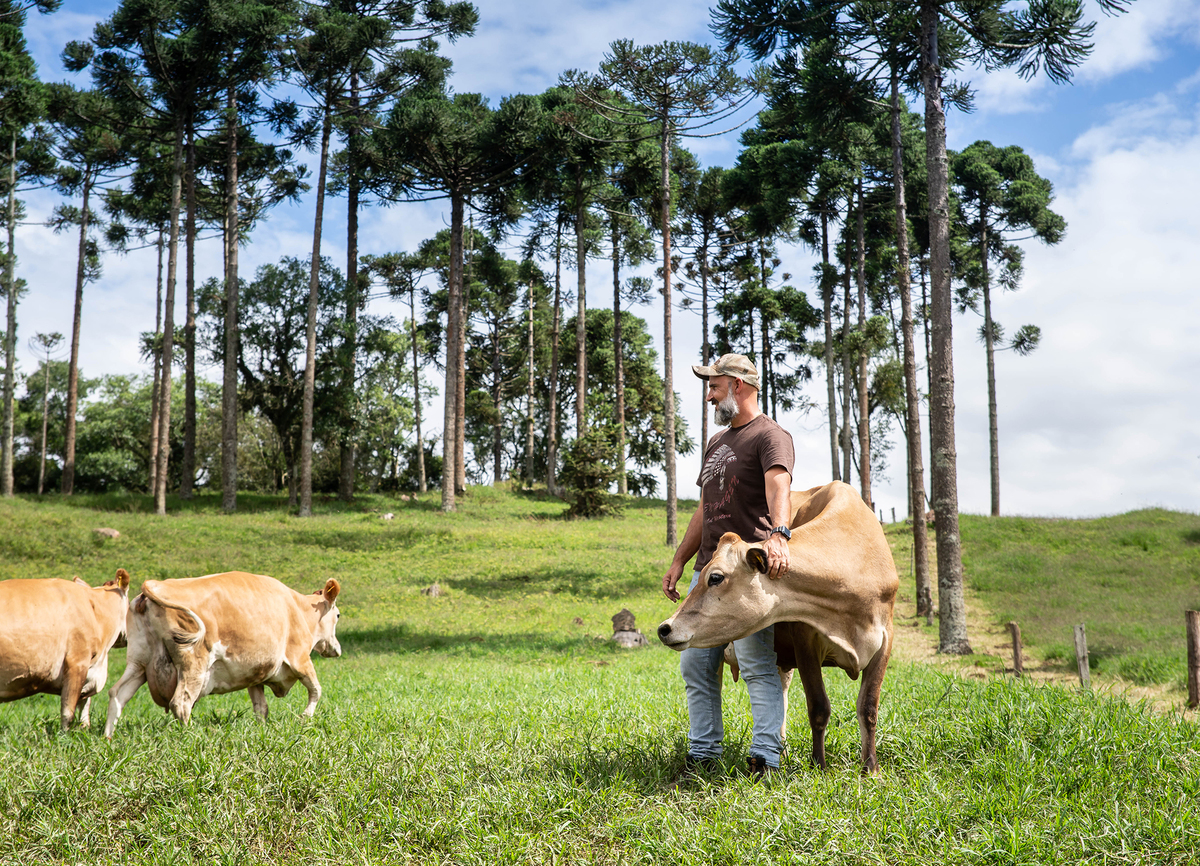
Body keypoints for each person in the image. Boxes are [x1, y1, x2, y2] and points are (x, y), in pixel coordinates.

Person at [662, 353, 795, 780]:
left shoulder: (770, 436)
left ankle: (766, 759)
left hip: (743, 575)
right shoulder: (717, 442)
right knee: (695, 665)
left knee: (757, 665)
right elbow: (705, 508)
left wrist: (779, 532)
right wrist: (681, 560)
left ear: (738, 385)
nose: (708, 394)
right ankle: (703, 755)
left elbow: (779, 486)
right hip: (708, 571)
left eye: (714, 385)